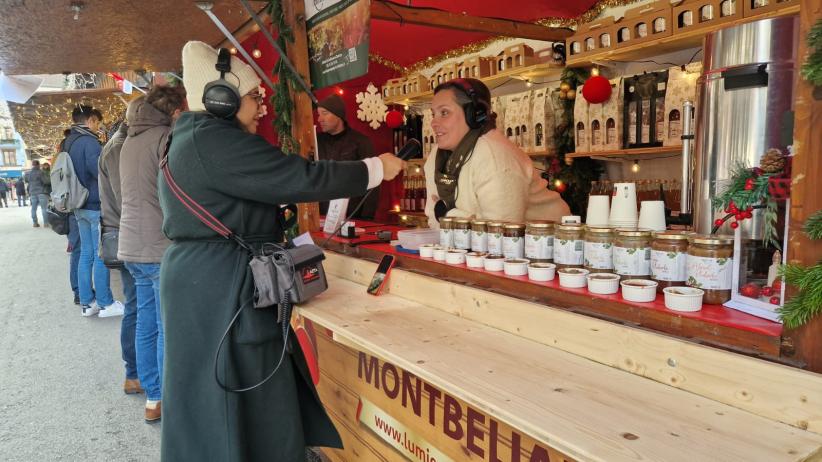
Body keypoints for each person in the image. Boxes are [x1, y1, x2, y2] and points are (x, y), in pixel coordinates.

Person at [158, 41, 404, 461]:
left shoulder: (194, 138)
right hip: (222, 284)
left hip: (207, 279)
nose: (261, 108)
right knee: (241, 388)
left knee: (219, 393)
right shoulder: (215, 141)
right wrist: (376, 168)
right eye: (254, 97)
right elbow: (301, 177)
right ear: (222, 99)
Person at [119, 86, 185, 422]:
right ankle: (167, 399)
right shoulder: (165, 138)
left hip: (131, 244)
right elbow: (173, 194)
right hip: (159, 245)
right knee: (166, 324)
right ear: (174, 112)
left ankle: (153, 397)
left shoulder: (129, 139)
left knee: (147, 323)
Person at [423, 78, 570, 227]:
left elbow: (500, 232)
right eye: (433, 114)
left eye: (444, 113)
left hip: (550, 244)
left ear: (474, 114)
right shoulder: (436, 157)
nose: (434, 123)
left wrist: (446, 214)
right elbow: (434, 220)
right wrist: (452, 216)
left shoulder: (495, 156)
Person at [99, 97, 144, 398]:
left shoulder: (120, 143)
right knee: (137, 305)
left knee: (138, 305)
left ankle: (137, 372)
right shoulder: (118, 147)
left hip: (126, 231)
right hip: (126, 233)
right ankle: (134, 373)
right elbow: (125, 197)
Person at [66, 105, 124, 317]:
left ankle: (87, 303)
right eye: (97, 123)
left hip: (78, 205)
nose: (98, 127)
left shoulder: (68, 142)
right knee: (101, 254)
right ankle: (105, 303)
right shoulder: (89, 142)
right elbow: (100, 171)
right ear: (90, 120)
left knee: (86, 254)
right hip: (93, 204)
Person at [316, 93, 379, 219]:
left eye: (325, 113)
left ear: (338, 115)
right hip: (321, 218)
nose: (319, 119)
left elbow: (373, 182)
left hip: (353, 218)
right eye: (318, 114)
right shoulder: (315, 142)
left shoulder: (361, 142)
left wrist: (366, 219)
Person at [24, 160, 49, 227]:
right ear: (38, 165)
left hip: (32, 193)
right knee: (44, 208)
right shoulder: (41, 172)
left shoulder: (27, 173)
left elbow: (26, 180)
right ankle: (46, 223)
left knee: (33, 208)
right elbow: (46, 181)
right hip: (41, 192)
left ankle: (35, 223)